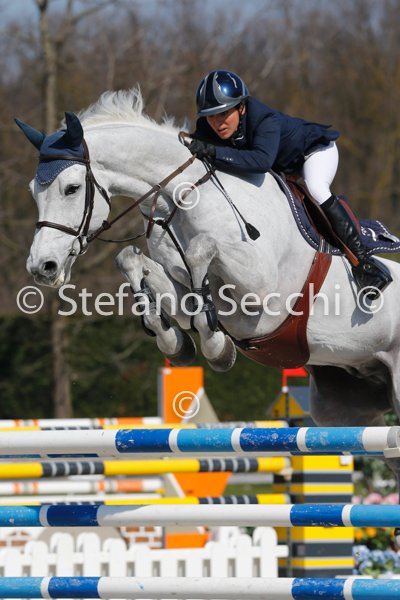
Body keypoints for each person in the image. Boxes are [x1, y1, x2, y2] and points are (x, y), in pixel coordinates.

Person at [188, 69, 391, 294]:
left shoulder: (264, 120)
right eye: (211, 116)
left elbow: (261, 162)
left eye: (224, 113)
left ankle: (364, 262)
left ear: (241, 107)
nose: (217, 123)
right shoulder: (208, 127)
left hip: (313, 153)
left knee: (316, 188)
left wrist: (214, 152)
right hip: (283, 167)